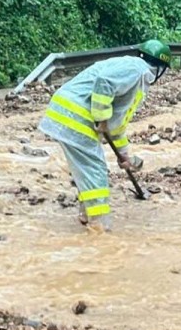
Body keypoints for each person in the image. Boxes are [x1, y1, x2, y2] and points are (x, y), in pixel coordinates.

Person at [38, 40, 171, 230]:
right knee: (95, 170)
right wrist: (101, 116)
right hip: (76, 116)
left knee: (87, 169)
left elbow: (116, 123)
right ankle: (99, 227)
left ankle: (87, 216)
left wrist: (123, 153)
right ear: (161, 68)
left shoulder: (133, 72)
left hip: (69, 114)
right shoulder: (136, 69)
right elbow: (104, 82)